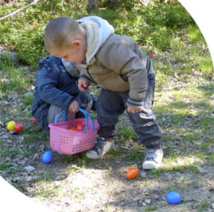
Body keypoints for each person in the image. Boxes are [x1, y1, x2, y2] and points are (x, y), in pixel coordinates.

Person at [44, 16, 163, 169]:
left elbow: (137, 69)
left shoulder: (112, 49)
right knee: (104, 110)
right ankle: (106, 140)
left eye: (65, 57)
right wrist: (84, 76)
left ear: (77, 44)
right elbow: (87, 65)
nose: (66, 61)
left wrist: (136, 99)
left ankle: (154, 147)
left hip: (138, 80)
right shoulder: (85, 48)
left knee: (140, 114)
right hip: (112, 83)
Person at [32, 55, 96, 132]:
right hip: (46, 110)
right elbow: (45, 90)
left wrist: (101, 107)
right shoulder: (52, 66)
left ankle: (77, 127)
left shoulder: (77, 74)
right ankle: (61, 132)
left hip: (66, 110)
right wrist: (68, 102)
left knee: (86, 97)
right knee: (65, 104)